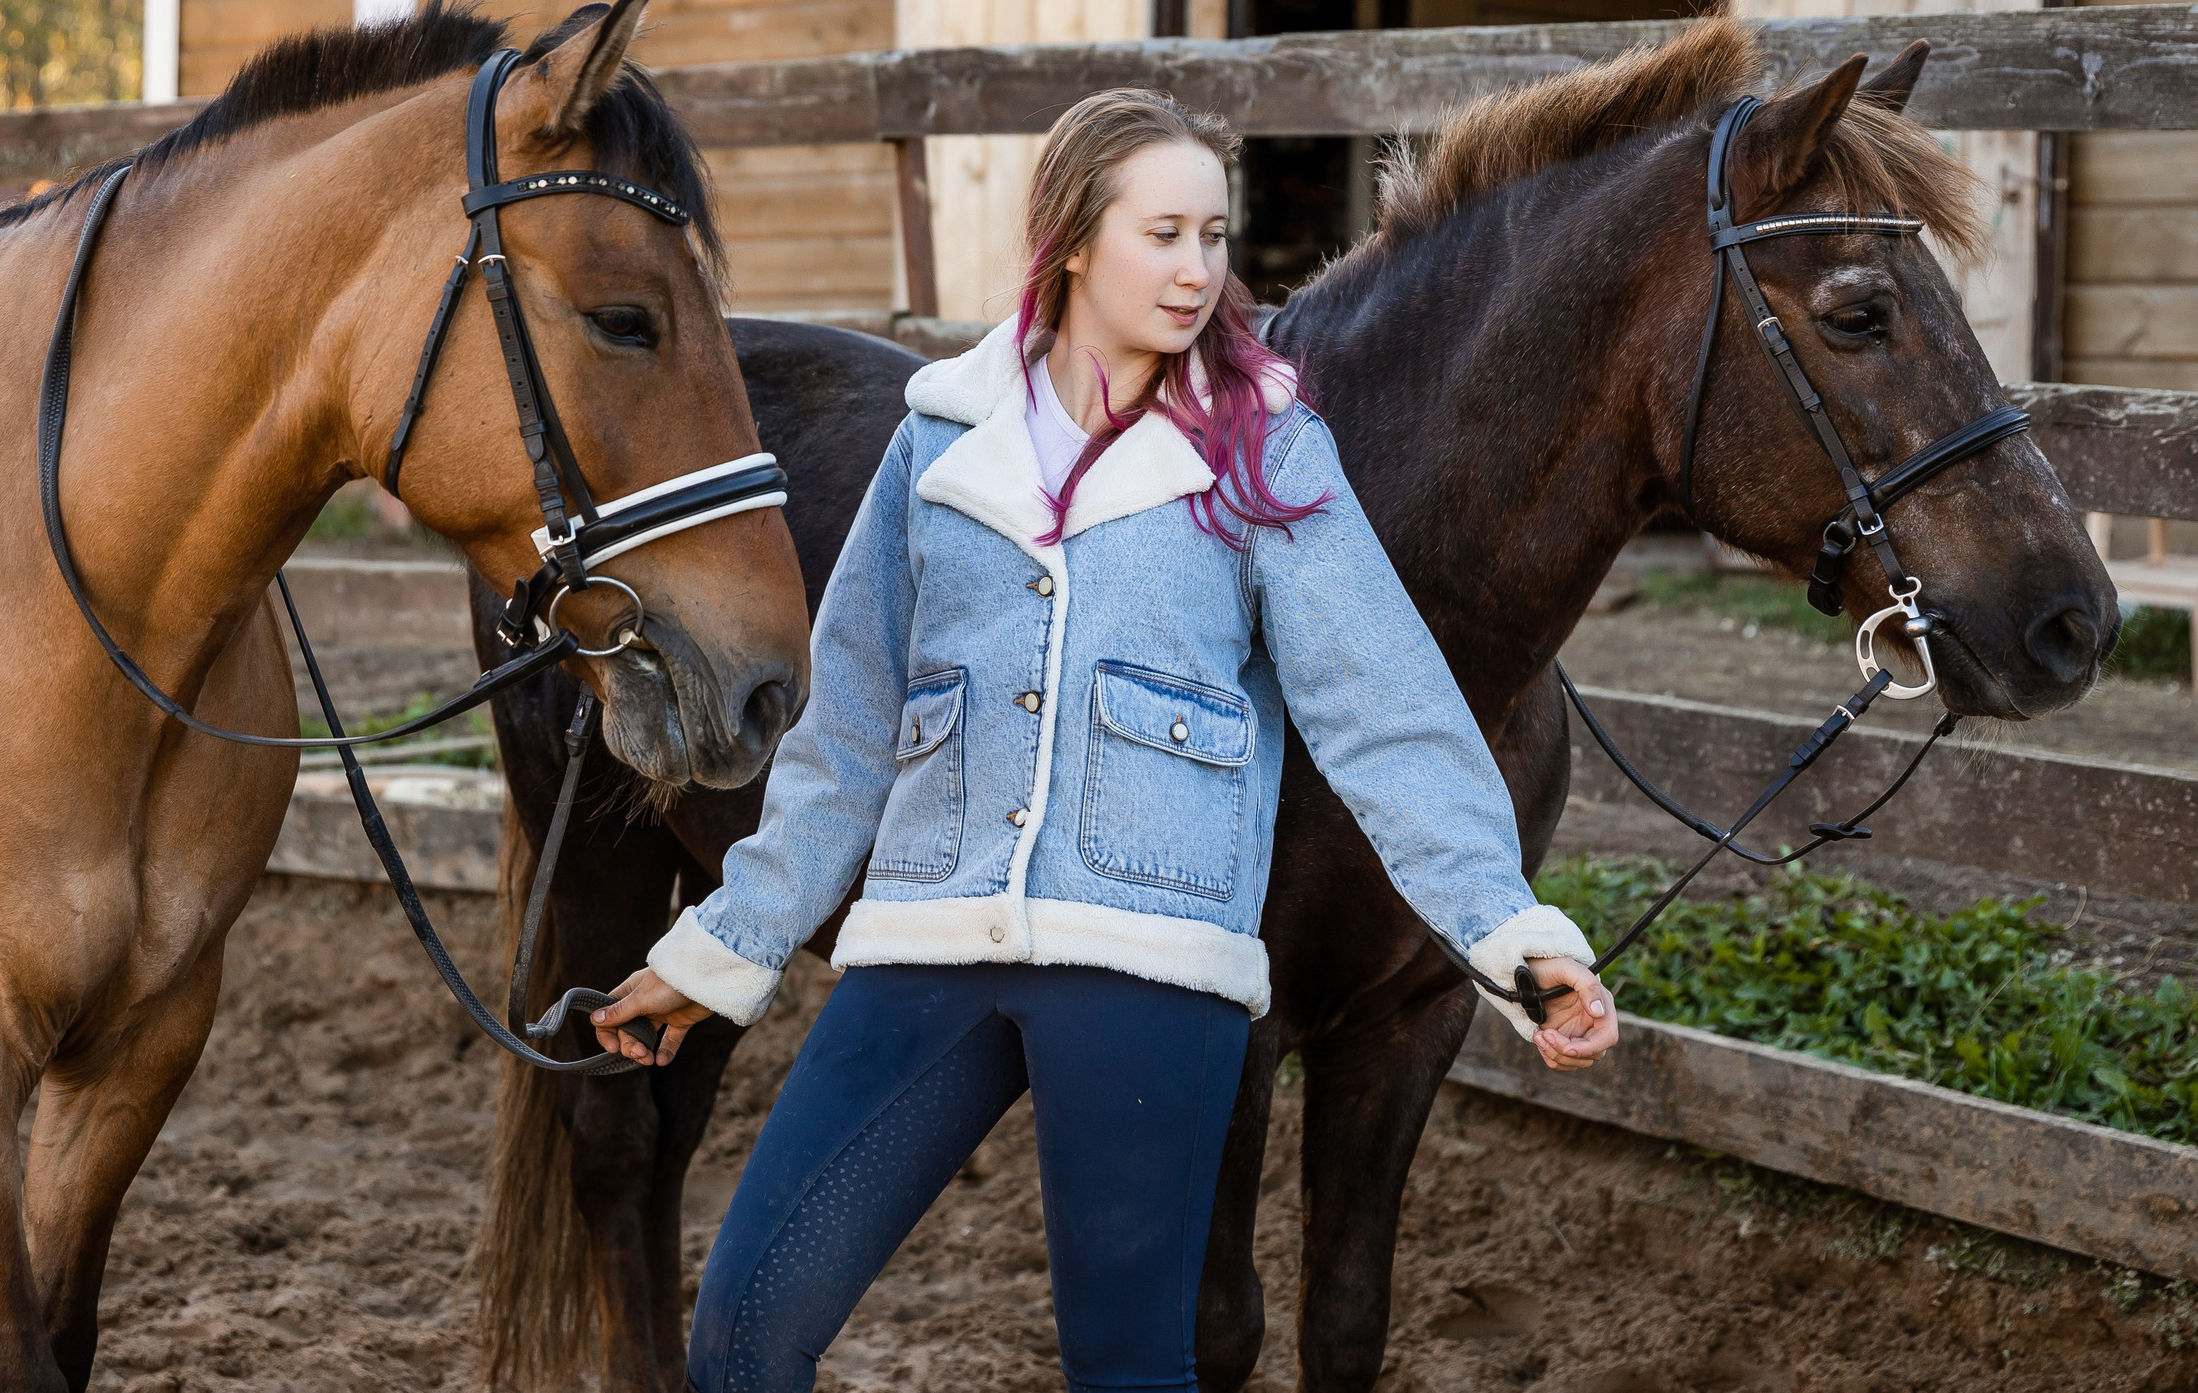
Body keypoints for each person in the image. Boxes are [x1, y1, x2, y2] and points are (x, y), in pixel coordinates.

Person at [592, 88, 1617, 1392]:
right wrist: (727, 944)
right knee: (744, 1333)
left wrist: (1505, 930)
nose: (1199, 272)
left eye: (1214, 238)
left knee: (1127, 1371)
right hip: (930, 939)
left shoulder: (1267, 448)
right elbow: (845, 729)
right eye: (1164, 235)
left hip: (1149, 961)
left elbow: (1387, 711)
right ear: (1073, 240)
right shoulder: (941, 436)